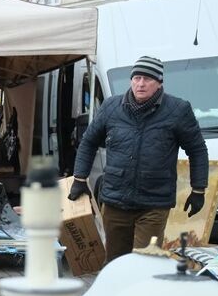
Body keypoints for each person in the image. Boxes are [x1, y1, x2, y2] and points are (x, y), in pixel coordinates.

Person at [70, 55, 209, 262]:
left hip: (154, 203)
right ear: (131, 81)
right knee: (115, 262)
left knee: (145, 262)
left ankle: (142, 294)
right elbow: (88, 142)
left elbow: (197, 149)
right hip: (115, 200)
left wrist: (198, 189)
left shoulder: (178, 110)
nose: (141, 84)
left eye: (147, 79)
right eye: (136, 78)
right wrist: (79, 179)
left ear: (159, 83)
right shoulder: (111, 107)